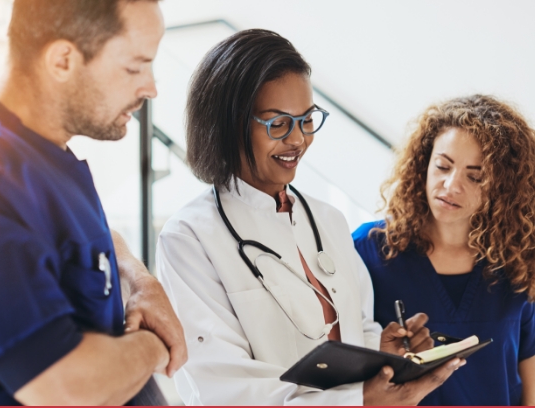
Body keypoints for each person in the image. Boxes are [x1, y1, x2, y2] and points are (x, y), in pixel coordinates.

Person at [156, 28, 465, 405]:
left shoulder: (328, 220)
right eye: (278, 123)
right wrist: (360, 401)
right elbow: (224, 387)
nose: (299, 139)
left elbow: (356, 329)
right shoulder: (189, 238)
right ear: (229, 123)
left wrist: (385, 354)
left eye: (306, 119)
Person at [0, 0, 187, 405]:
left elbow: (86, 241)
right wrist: (155, 342)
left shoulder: (41, 147)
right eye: (135, 67)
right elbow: (64, 385)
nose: (150, 88)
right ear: (63, 59)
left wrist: (140, 281)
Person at [353, 95, 535, 406]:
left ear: (502, 186)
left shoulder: (519, 261)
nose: (451, 186)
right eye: (442, 166)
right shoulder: (370, 250)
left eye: (474, 176)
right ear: (424, 163)